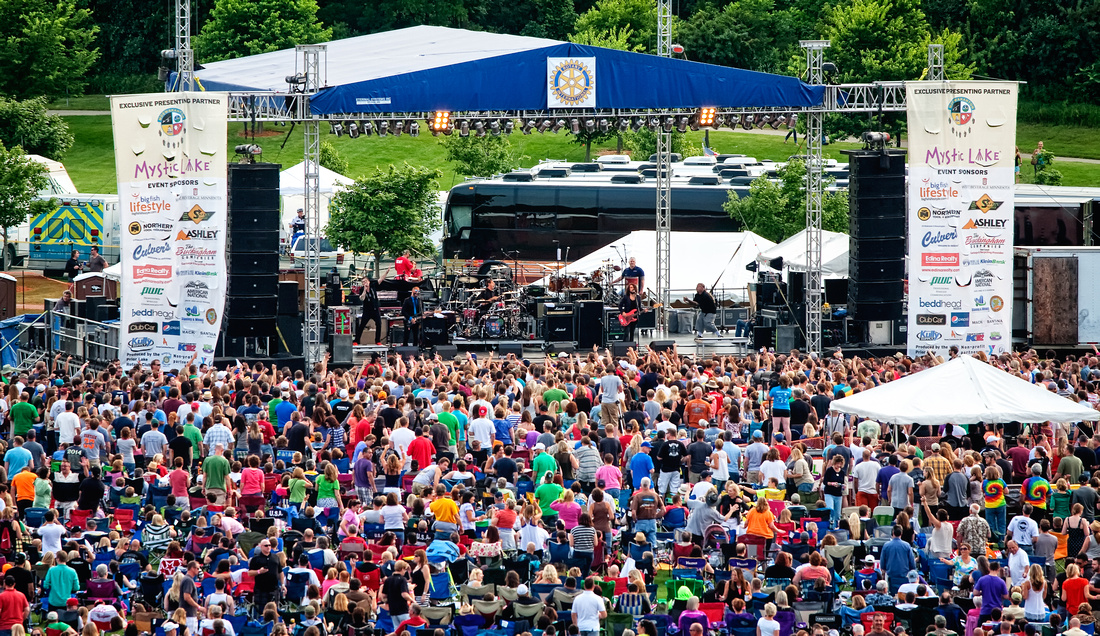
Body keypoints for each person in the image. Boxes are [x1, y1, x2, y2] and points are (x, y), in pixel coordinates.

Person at [355, 277, 382, 346]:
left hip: (375, 310)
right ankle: (356, 340)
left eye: (366, 281)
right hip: (367, 311)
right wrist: (364, 290)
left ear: (369, 281)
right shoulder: (361, 290)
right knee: (362, 326)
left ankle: (377, 340)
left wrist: (387, 272)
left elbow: (380, 280)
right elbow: (362, 298)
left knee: (379, 324)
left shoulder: (373, 287)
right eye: (363, 282)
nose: (365, 283)